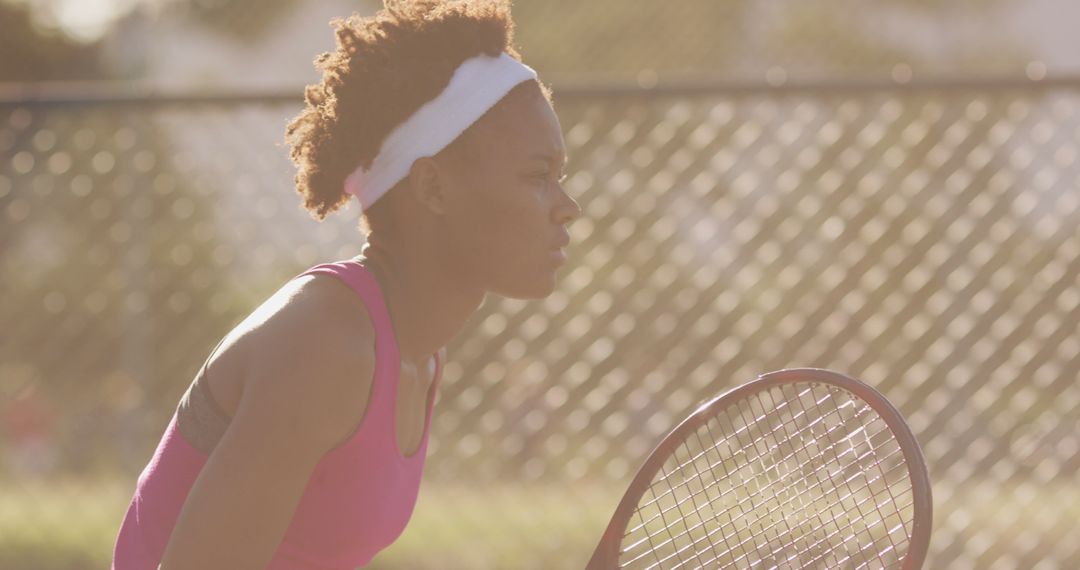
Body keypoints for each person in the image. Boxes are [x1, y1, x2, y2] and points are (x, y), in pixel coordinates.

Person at [111, 1, 581, 568]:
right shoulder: (325, 345)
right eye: (537, 177)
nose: (568, 208)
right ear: (432, 187)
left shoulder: (414, 349)